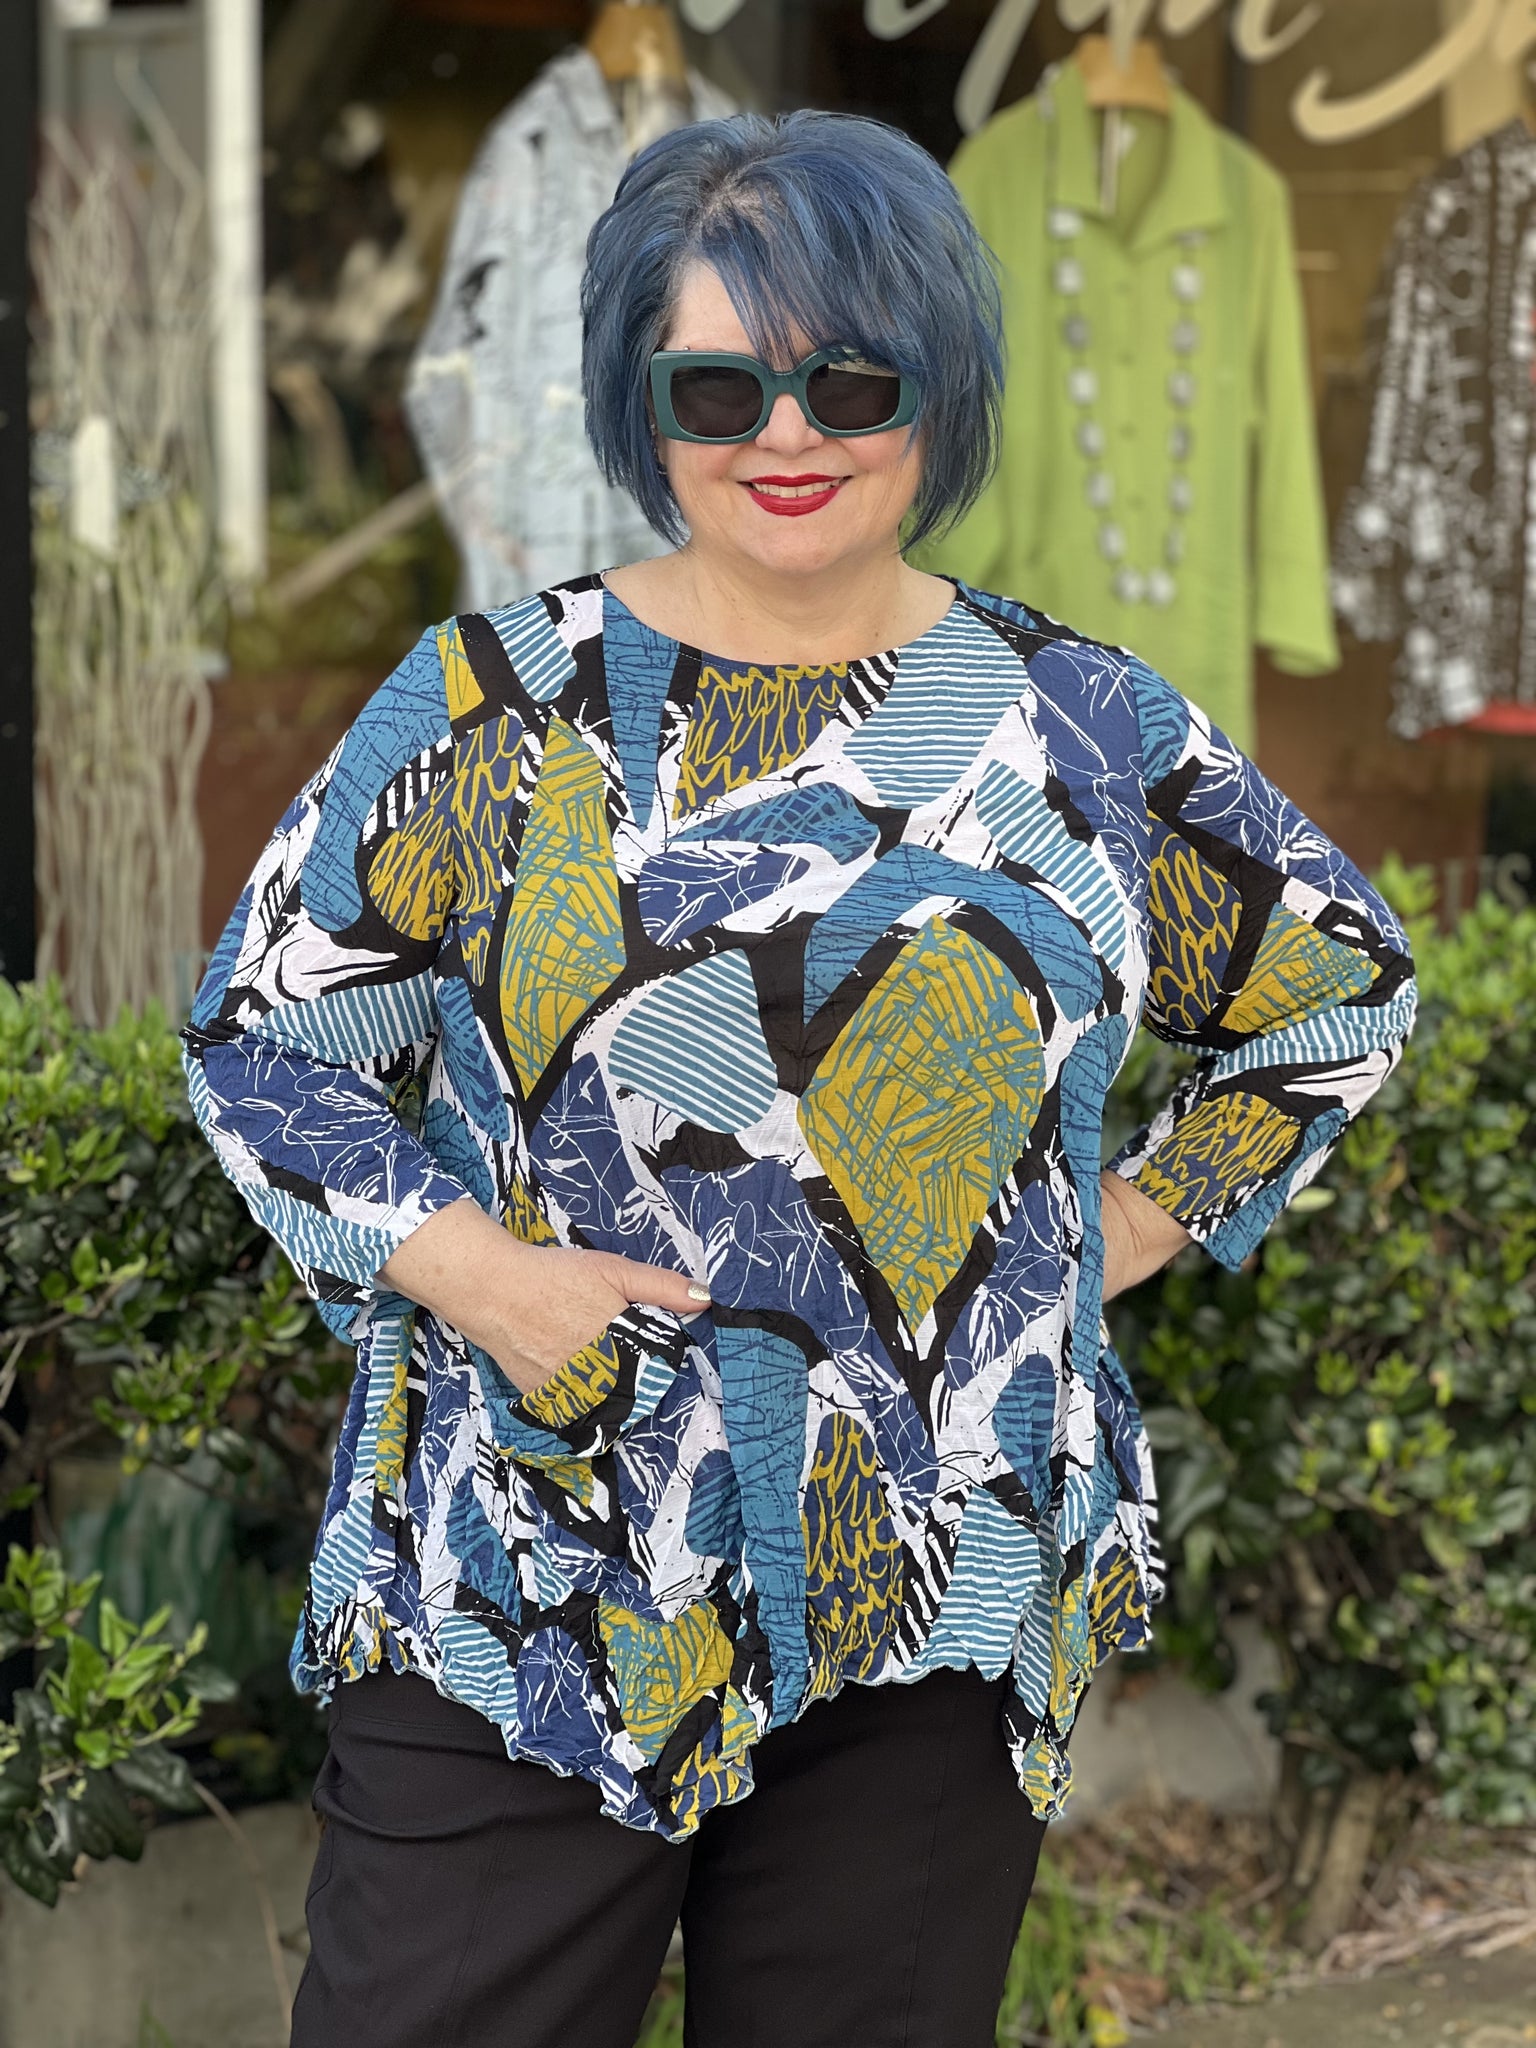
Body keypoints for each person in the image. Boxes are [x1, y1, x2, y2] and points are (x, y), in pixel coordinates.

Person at [184, 110, 1416, 2048]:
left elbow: (1336, 990)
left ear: (939, 388)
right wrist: (485, 1281)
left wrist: (1119, 1228)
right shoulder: (495, 705)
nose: (788, 433)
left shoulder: (1085, 725)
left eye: (852, 380)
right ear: (641, 398)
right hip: (541, 1557)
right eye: (719, 385)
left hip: (936, 1573)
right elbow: (264, 1042)